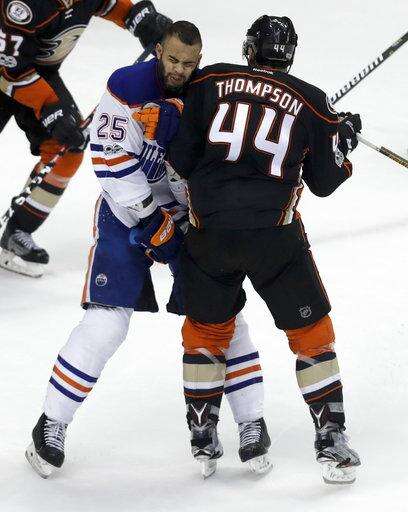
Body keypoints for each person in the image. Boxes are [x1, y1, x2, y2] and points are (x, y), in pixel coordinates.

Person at [25, 21, 270, 480]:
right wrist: (152, 220)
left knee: (223, 320)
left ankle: (252, 421)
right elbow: (110, 161)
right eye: (172, 59)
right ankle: (51, 423)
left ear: (198, 61)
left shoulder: (208, 90)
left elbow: (239, 146)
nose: (179, 69)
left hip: (186, 218)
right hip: (125, 214)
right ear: (158, 50)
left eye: (188, 63)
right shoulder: (127, 87)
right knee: (106, 324)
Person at [167, 15, 362, 484]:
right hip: (274, 238)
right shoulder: (312, 101)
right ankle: (331, 438)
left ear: (249, 48)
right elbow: (323, 182)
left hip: (210, 233)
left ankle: (203, 434)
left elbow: (181, 159)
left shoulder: (208, 80)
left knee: (206, 332)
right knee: (311, 331)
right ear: (289, 56)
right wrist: (341, 142)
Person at [0, 0, 172, 277]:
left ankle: (18, 229)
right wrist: (50, 107)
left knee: (68, 148)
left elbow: (109, 5)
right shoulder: (24, 5)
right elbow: (9, 71)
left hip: (36, 73)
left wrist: (139, 19)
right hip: (9, 72)